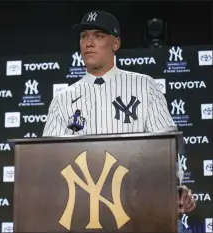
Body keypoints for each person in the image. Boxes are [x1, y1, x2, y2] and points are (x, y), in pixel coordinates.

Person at [42, 9, 195, 229]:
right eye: (84, 36)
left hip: (139, 202)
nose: (89, 43)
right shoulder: (63, 100)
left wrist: (176, 186)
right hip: (82, 209)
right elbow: (48, 160)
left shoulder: (144, 86)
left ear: (115, 44)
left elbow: (168, 146)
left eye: (99, 35)